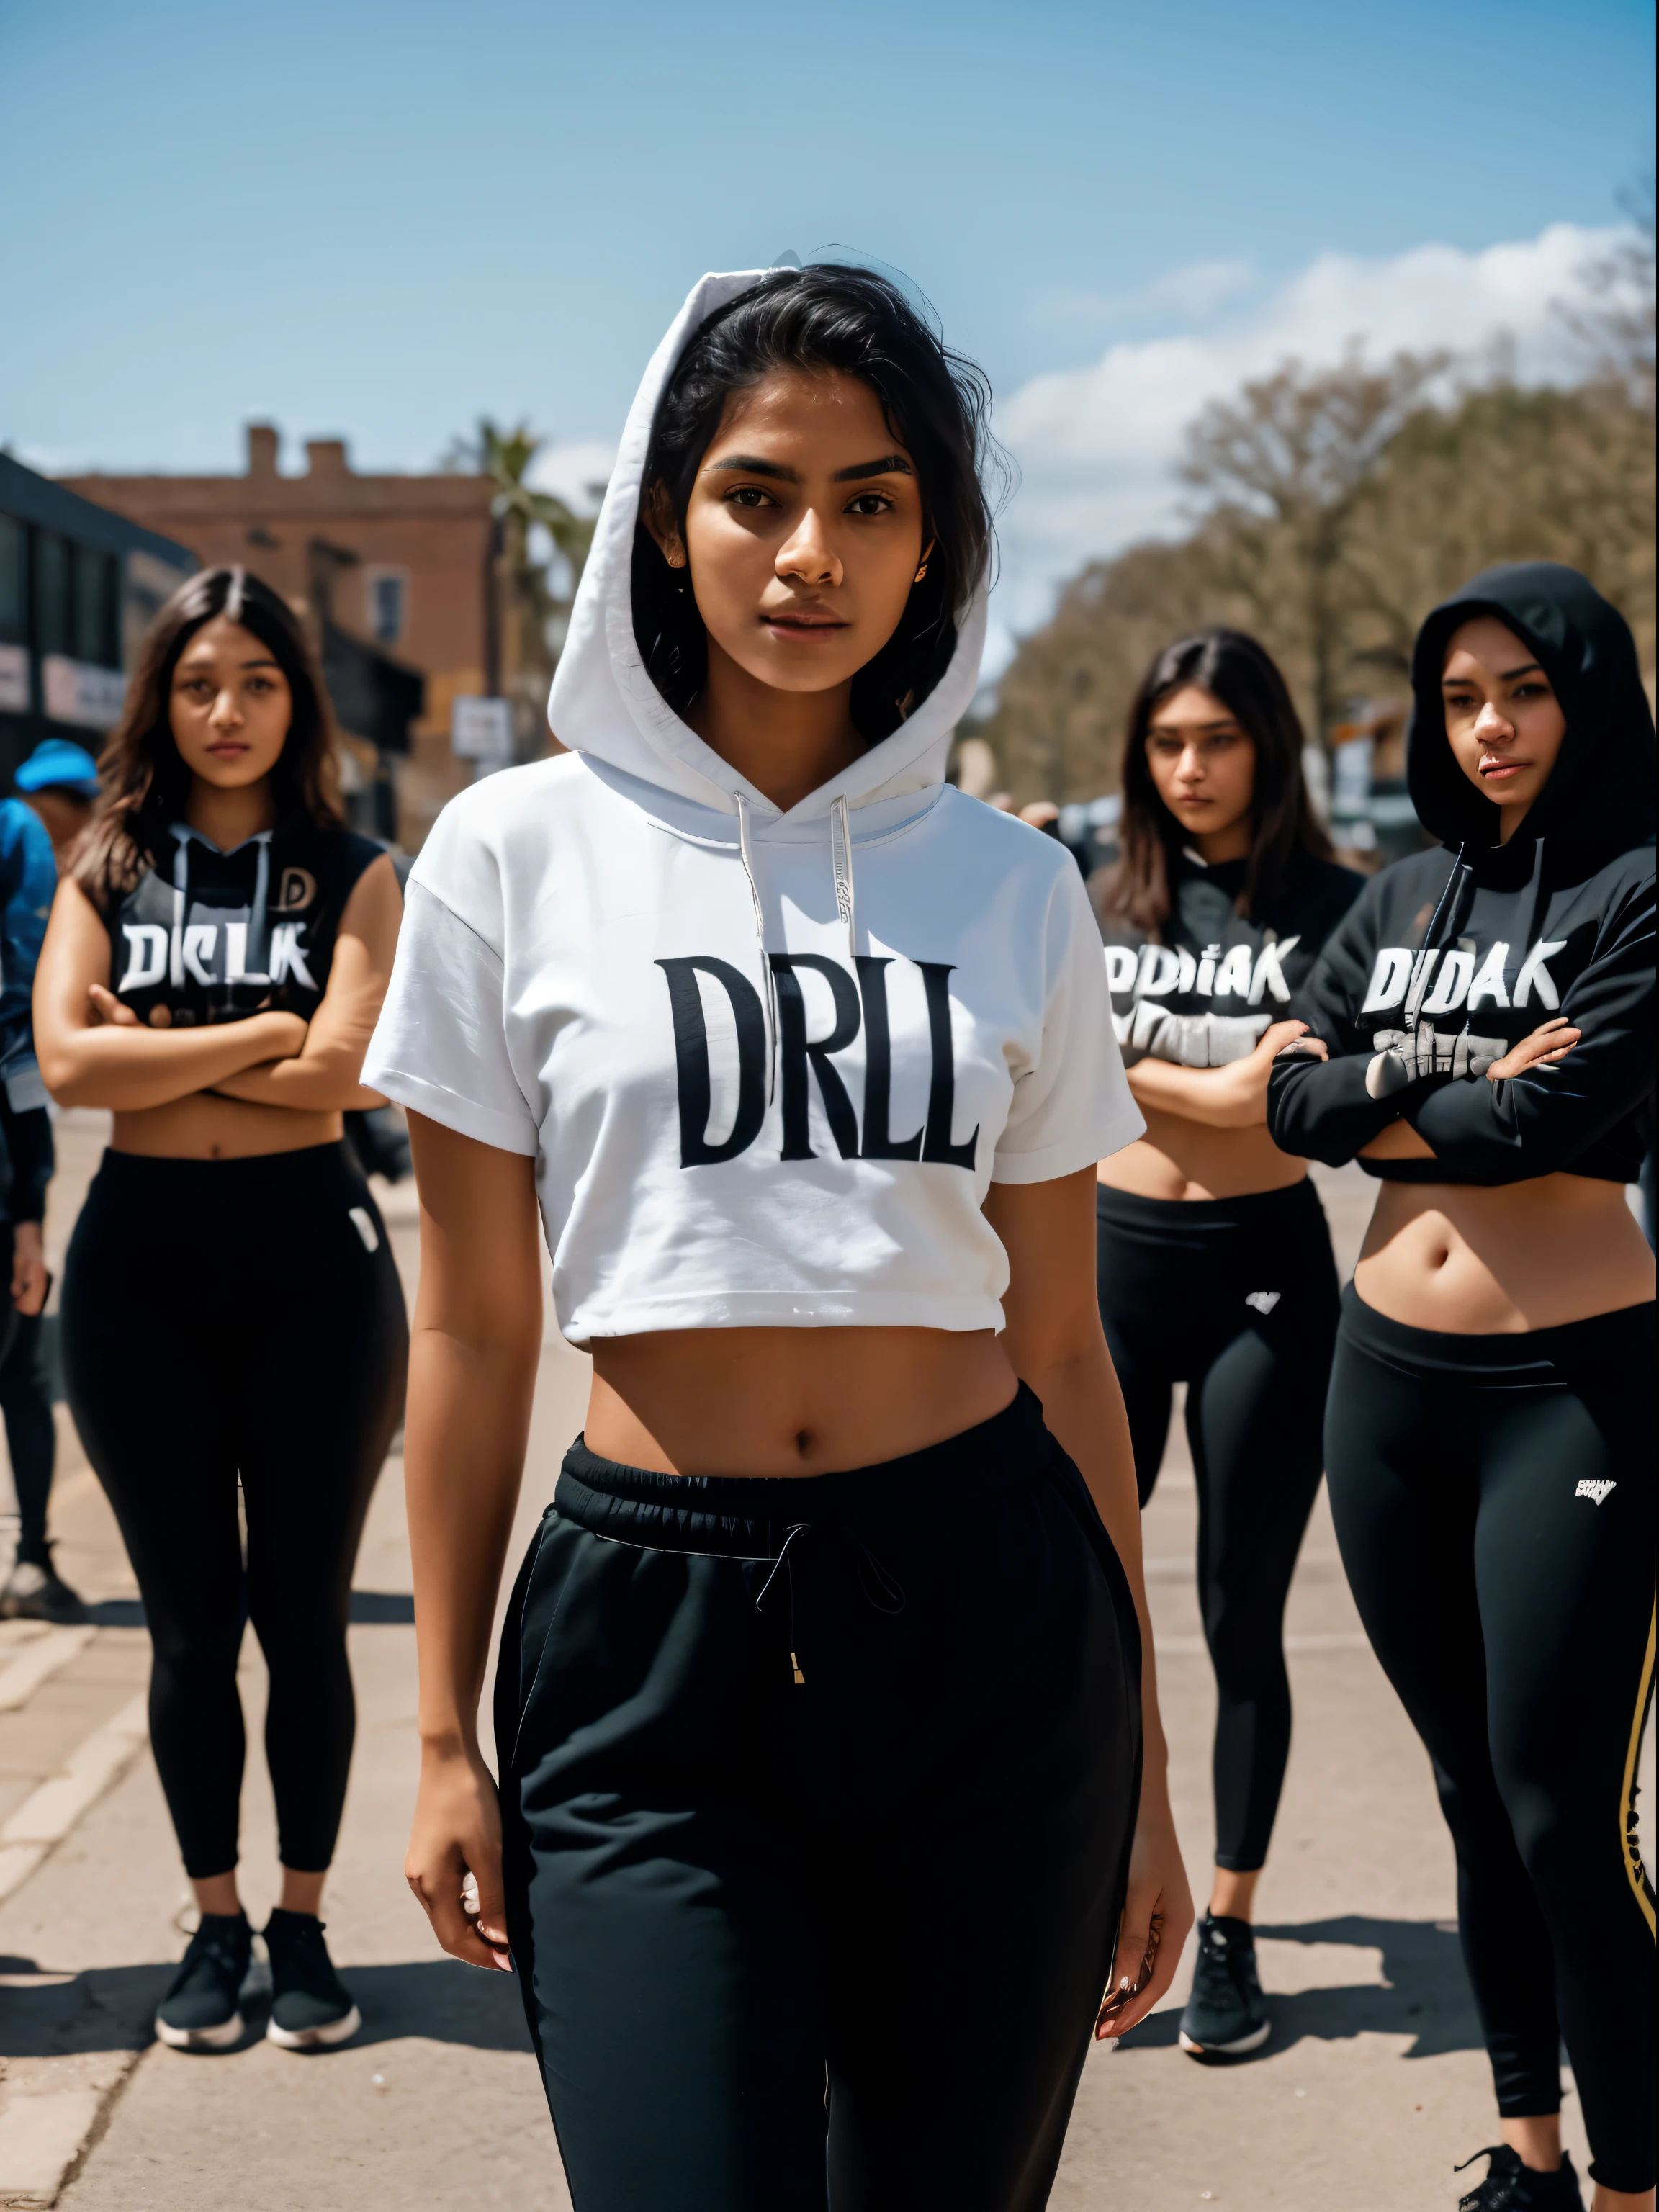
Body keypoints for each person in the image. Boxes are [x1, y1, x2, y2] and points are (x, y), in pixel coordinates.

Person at [367, 264, 1193, 2210]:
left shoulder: (1018, 888)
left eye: (874, 502)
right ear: (668, 522)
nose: (810, 552)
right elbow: (475, 1335)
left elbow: (1070, 1351)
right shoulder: (508, 853)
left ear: (937, 555)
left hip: (993, 1625)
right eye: (756, 493)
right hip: (644, 1657)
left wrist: (1152, 1771)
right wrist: (433, 1734)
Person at [1267, 562, 1655, 2212]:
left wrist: (1375, 1089)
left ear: (1588, 691)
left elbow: (1551, 1129)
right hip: (1387, 1388)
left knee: (1564, 1808)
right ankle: (1531, 2154)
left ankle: (1637, 2176)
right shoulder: (1403, 890)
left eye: (1524, 689)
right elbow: (1287, 1097)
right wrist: (1447, 1072)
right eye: (1460, 697)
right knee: (1471, 1795)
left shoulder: (1646, 884)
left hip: (1572, 1388)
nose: (1490, 725)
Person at [32, 566, 409, 2056]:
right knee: (188, 1632)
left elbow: (352, 1076)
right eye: (198, 684)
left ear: (294, 700)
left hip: (314, 1269)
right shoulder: (108, 867)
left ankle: (305, 1924)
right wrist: (272, 1029)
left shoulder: (355, 867)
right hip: (140, 1279)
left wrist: (184, 1042)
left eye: (256, 681)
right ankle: (215, 1924)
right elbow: (68, 1065)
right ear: (160, 702)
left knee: (303, 1623)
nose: (227, 710)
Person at [1091, 630, 1363, 2058]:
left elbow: (1287, 1108)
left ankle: (1232, 1929)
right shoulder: (1098, 901)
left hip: (1267, 1278)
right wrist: (1208, 1081)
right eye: (1166, 743)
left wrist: (1132, 1077)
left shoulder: (1335, 907)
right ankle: (1110, 1899)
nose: (1190, 768)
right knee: (1087, 1604)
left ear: (1269, 746)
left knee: (1238, 1616)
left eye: (1219, 740)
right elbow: (1059, 1069)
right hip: (1109, 1276)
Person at [0, 756, 89, 1620]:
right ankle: (29, 1558)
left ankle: (32, 1555)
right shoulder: (18, 837)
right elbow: (23, 1043)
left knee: (26, 1367)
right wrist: (30, 1207)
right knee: (22, 1366)